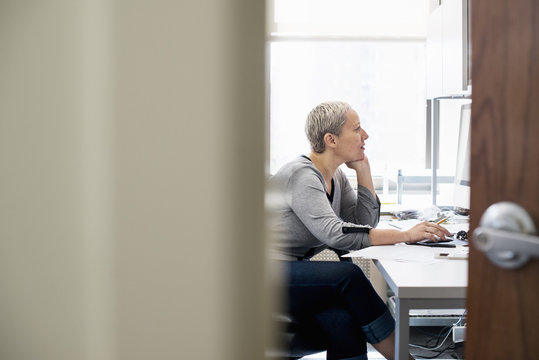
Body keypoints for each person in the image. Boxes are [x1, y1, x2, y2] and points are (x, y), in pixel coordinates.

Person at [268, 101, 450, 360]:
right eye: (356, 129)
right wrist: (407, 235)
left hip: (290, 270)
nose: (365, 135)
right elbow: (337, 234)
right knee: (349, 276)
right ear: (331, 139)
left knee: (344, 321)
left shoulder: (335, 176)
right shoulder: (302, 175)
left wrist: (364, 170)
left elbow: (362, 224)